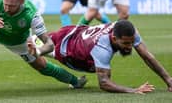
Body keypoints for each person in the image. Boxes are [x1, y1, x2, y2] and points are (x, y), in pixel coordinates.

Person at [29, 20, 172, 93]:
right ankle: (75, 81)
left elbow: (147, 56)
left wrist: (168, 80)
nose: (130, 47)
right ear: (114, 39)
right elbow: (104, 83)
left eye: (131, 42)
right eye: (126, 43)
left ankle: (76, 82)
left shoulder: (129, 30)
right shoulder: (101, 48)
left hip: (77, 33)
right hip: (65, 50)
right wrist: (133, 90)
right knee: (26, 47)